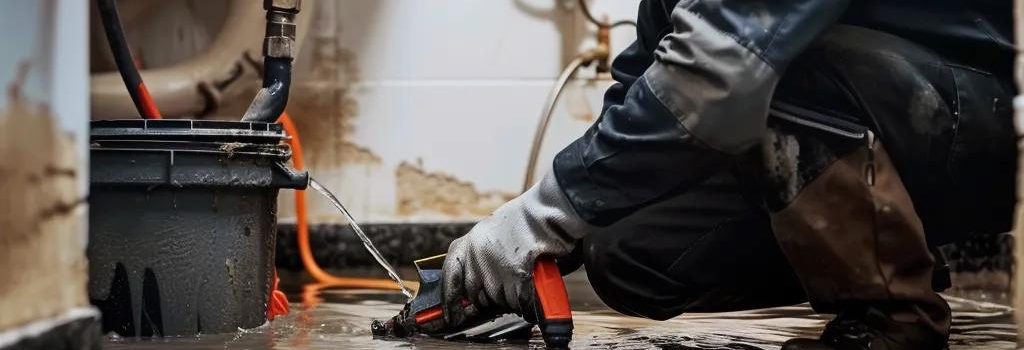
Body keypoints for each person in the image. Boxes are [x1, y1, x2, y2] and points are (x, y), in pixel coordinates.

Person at [441, 1, 1016, 349]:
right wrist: (553, 234)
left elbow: (725, 67)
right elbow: (644, 84)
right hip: (886, 123)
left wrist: (544, 212)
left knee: (765, 67)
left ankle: (894, 322)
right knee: (624, 248)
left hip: (964, 119)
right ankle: (892, 244)